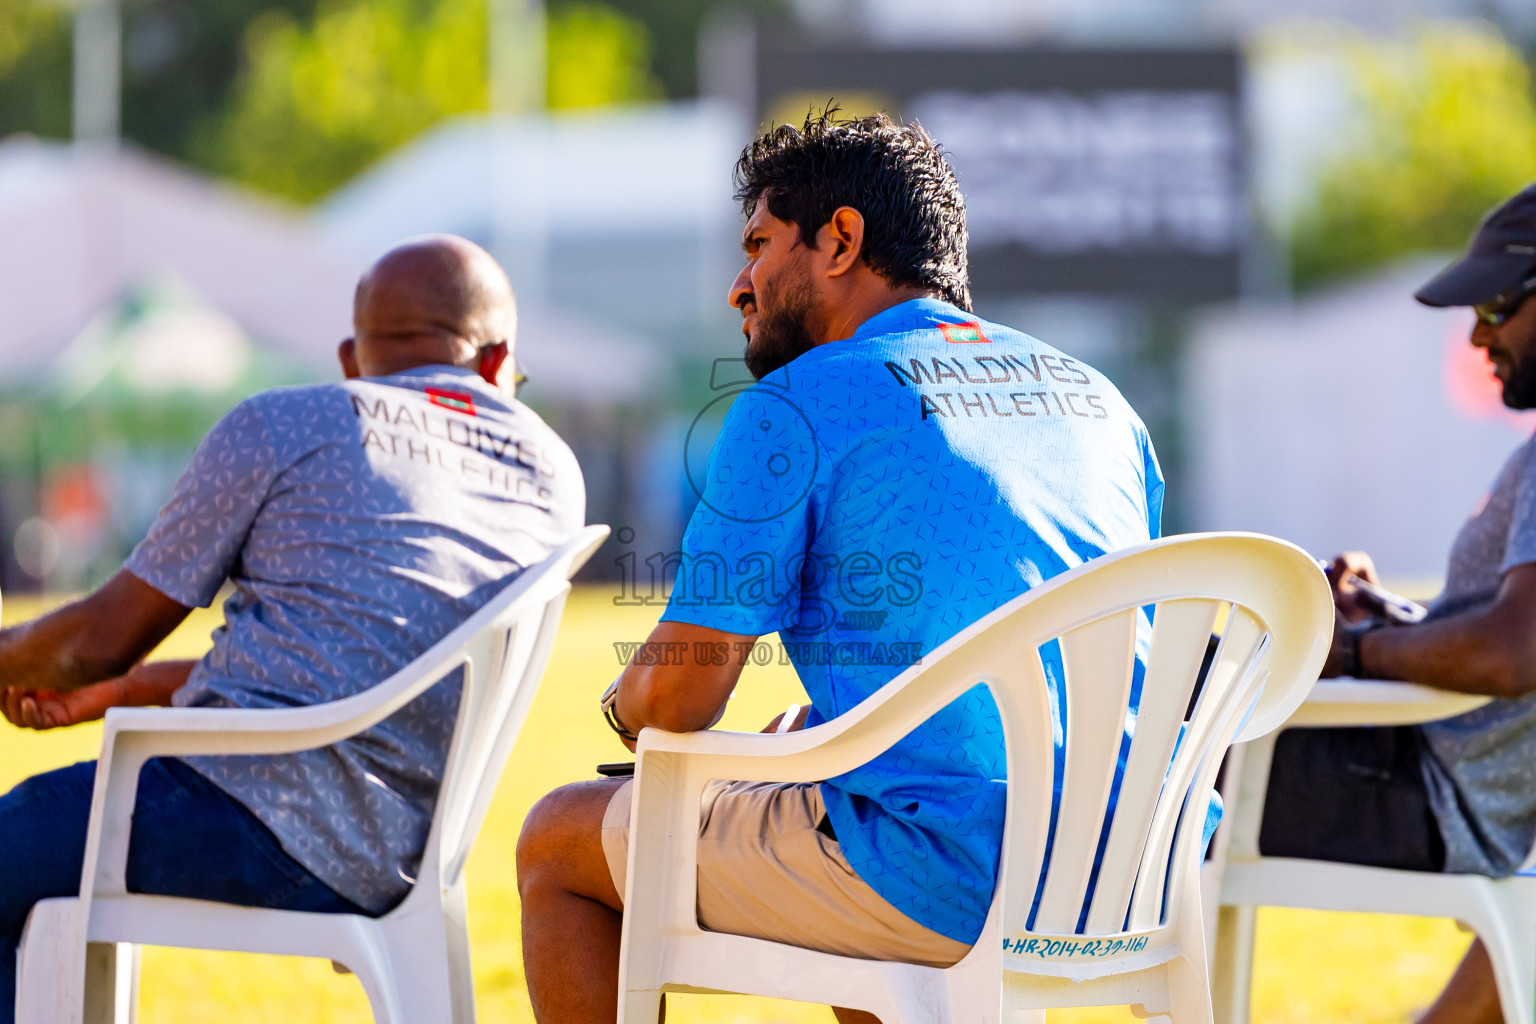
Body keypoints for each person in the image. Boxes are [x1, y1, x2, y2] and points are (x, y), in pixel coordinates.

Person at [516, 110, 1166, 1024]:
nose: (739, 287)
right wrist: (822, 738)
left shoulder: (801, 401)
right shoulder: (1102, 401)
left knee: (557, 846)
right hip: (1137, 868)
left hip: (946, 883)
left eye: (758, 245)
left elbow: (675, 705)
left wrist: (621, 710)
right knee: (850, 798)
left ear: (842, 239)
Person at [0, 234, 584, 1020]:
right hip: (403, 849)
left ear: (351, 357)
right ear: (497, 361)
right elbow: (376, 668)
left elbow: (95, 639)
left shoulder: (287, 424)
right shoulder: (549, 471)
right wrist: (125, 691)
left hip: (251, 817)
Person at [1255, 183, 1536, 1024]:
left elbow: (1514, 653)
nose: (1478, 333)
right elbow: (1495, 638)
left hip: (1420, 789)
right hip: (1429, 774)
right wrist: (1391, 616)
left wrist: (1351, 652)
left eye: (1494, 304)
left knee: (1131, 744)